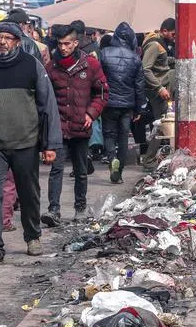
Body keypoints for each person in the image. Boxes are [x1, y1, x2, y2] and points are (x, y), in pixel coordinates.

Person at [0, 21, 62, 264]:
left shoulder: (31, 66)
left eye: (8, 38)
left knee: (29, 193)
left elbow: (47, 106)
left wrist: (50, 144)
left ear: (18, 42)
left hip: (25, 142)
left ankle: (33, 236)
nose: (3, 41)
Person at [44, 24, 107, 225]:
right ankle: (53, 210)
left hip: (82, 125)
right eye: (60, 44)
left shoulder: (90, 65)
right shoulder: (51, 68)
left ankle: (80, 208)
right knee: (56, 170)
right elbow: (45, 98)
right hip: (59, 126)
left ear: (76, 43)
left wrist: (91, 113)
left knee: (81, 171)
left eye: (67, 44)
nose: (63, 48)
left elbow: (103, 93)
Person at [98, 21, 147, 184]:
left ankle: (112, 158)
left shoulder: (104, 53)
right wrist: (139, 109)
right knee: (123, 137)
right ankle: (119, 173)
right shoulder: (135, 58)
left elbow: (98, 79)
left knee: (108, 134)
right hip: (127, 105)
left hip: (108, 102)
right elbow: (139, 86)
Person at [140, 18, 176, 167]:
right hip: (158, 90)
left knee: (162, 123)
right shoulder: (155, 45)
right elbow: (145, 69)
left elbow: (161, 62)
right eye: (173, 34)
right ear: (165, 31)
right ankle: (149, 159)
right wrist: (159, 88)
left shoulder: (158, 43)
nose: (174, 37)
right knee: (162, 124)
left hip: (159, 88)